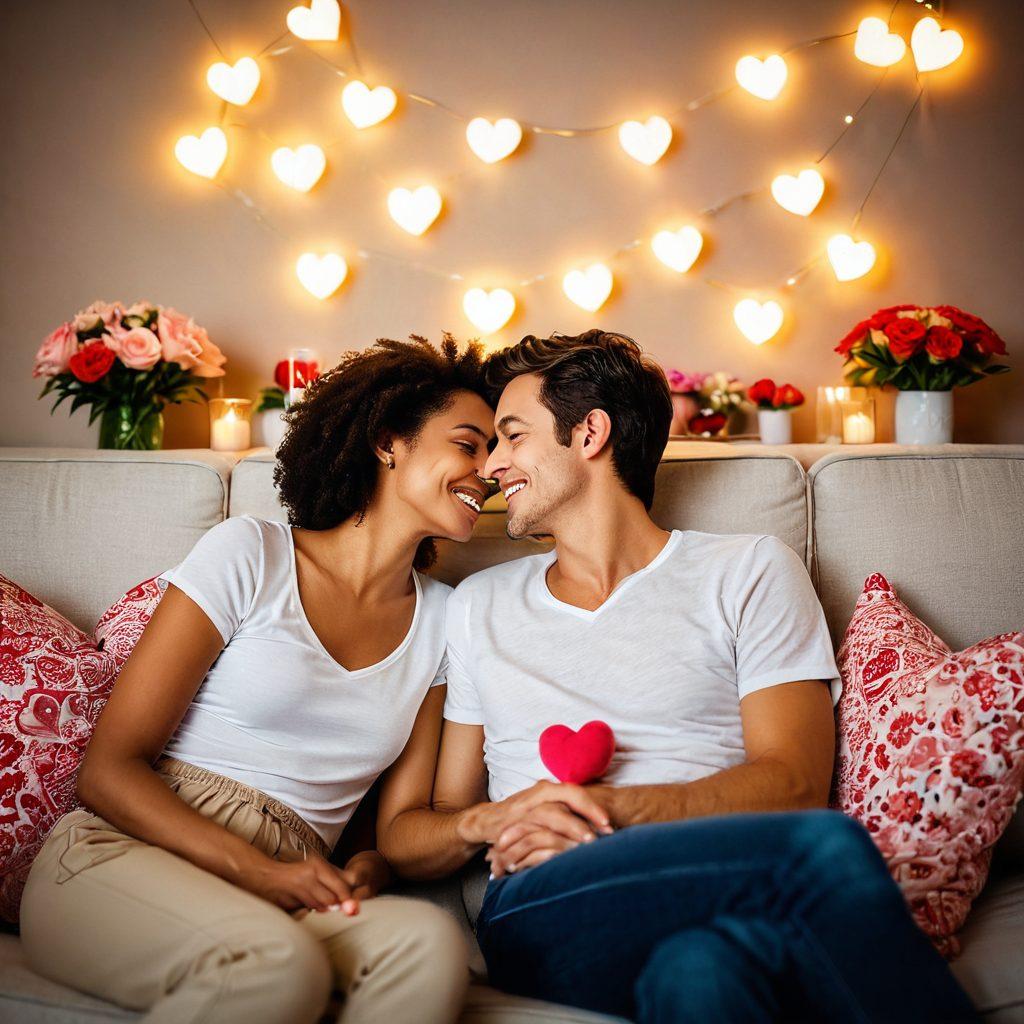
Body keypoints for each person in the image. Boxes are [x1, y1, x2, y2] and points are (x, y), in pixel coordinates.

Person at [377, 330, 979, 1023]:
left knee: (701, 976)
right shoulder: (482, 606)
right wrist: (502, 816)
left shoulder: (748, 570)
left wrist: (605, 810)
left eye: (512, 437)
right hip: (546, 903)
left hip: (717, 879)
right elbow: (421, 829)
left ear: (590, 434)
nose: (494, 464)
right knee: (821, 850)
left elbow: (793, 781)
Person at [20, 335, 496, 1024]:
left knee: (428, 944)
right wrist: (263, 873)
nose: (489, 468)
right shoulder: (251, 553)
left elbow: (393, 826)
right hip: (125, 857)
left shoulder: (444, 621)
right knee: (277, 963)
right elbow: (108, 771)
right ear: (390, 441)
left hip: (295, 882)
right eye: (468, 444)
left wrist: (370, 866)